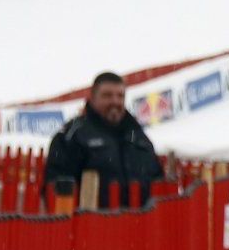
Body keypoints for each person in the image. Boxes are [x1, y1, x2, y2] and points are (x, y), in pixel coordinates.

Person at [44, 71, 164, 206]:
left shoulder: (138, 136)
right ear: (93, 98)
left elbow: (158, 180)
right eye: (107, 95)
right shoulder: (72, 136)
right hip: (93, 224)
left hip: (140, 224)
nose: (115, 101)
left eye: (120, 96)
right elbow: (57, 188)